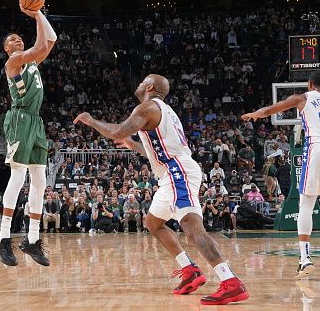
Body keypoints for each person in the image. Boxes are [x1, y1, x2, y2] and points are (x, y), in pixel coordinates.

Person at [74, 74, 248, 305]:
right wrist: (132, 145)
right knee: (153, 223)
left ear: (150, 86)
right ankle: (190, 270)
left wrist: (91, 121)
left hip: (177, 172)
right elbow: (153, 153)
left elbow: (117, 131)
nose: (137, 84)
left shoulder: (147, 108)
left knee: (191, 225)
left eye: (141, 81)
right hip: (171, 173)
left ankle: (231, 282)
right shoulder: (164, 111)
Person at [0, 0, 57, 267]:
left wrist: (38, 13)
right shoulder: (14, 62)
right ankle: (3, 238)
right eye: (13, 40)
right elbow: (41, 44)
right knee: (17, 177)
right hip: (19, 119)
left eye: (20, 39)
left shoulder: (31, 63)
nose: (18, 41)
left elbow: (50, 40)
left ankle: (31, 240)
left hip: (36, 121)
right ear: (7, 49)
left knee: (40, 182)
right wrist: (35, 13)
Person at [242, 71, 320, 278]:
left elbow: (270, 110)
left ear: (310, 84)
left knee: (306, 203)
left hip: (316, 148)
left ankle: (305, 259)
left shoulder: (302, 98)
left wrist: (256, 114)